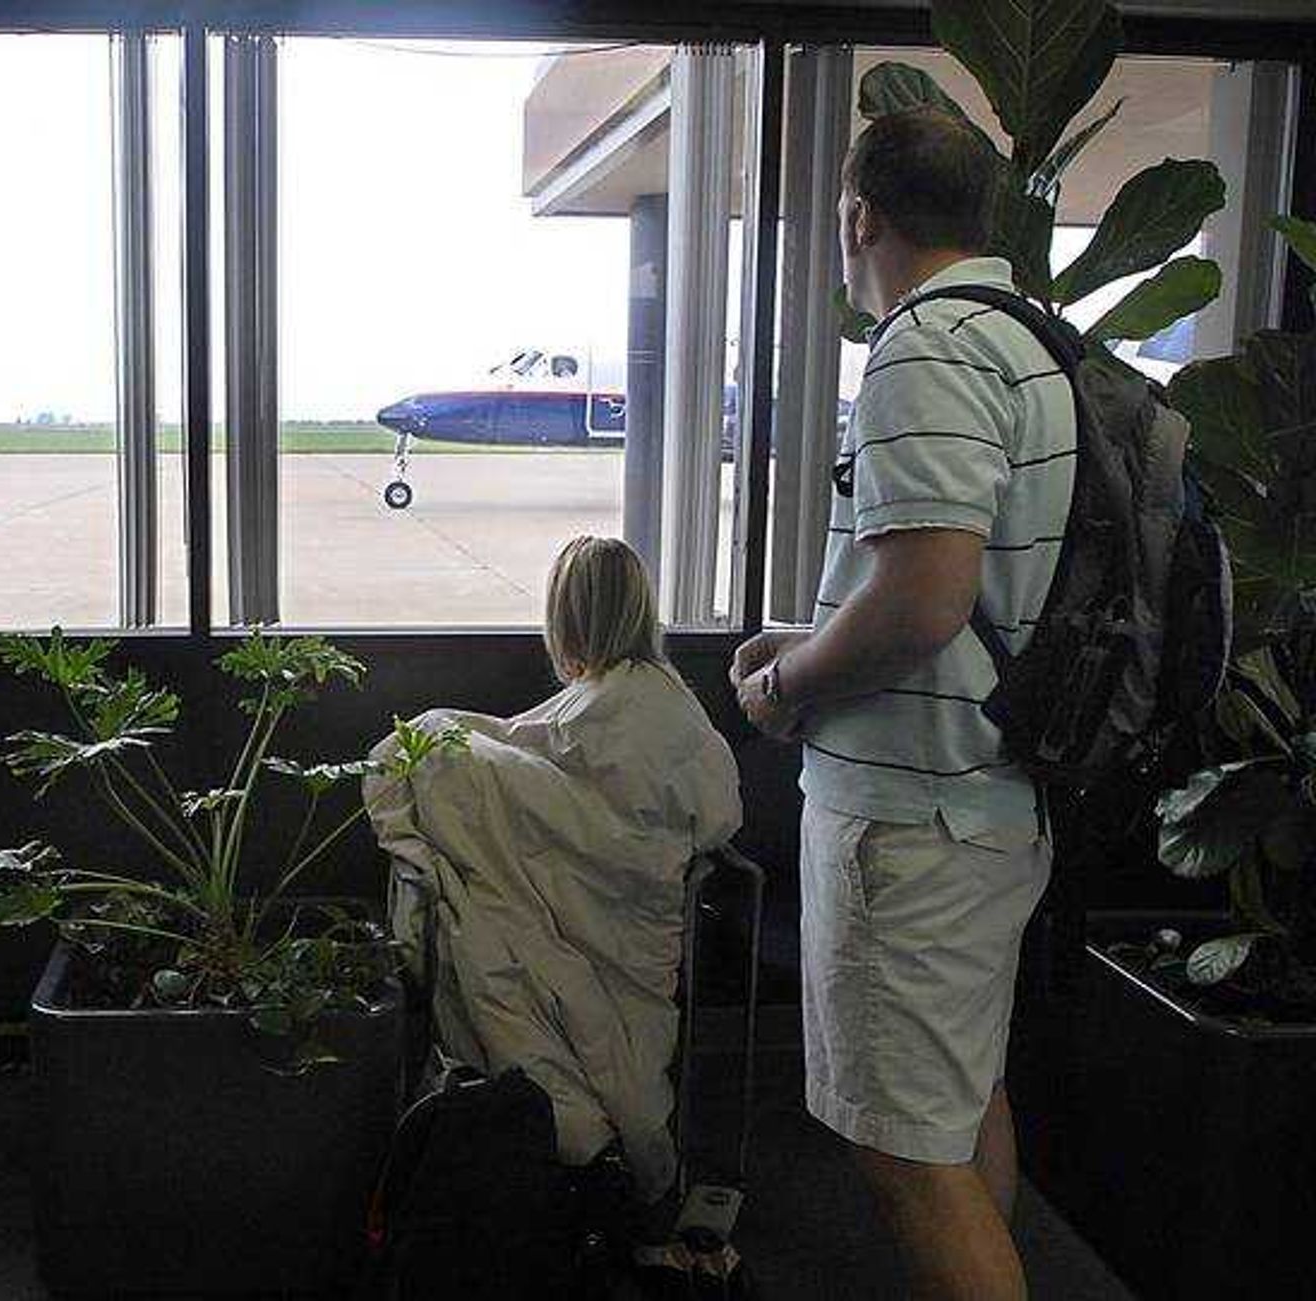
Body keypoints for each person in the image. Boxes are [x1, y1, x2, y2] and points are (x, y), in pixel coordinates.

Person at [731, 107, 1076, 1300]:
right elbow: (963, 582)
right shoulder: (1034, 340)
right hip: (989, 802)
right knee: (961, 1102)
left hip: (913, 826)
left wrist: (785, 685)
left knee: (900, 1151)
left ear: (859, 217)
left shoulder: (927, 345)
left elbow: (927, 596)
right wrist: (819, 627)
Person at [366, 536, 742, 1264]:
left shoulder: (594, 707)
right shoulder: (673, 707)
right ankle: (608, 1160)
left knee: (432, 748)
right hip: (641, 944)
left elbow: (527, 766)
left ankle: (570, 1139)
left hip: (586, 924)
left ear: (563, 620)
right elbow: (715, 814)